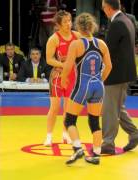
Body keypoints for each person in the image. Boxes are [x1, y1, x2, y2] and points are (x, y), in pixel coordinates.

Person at [61, 13, 112, 165]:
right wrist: (100, 80)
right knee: (94, 121)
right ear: (92, 27)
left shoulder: (76, 44)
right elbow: (109, 66)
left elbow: (68, 66)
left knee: (69, 119)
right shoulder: (101, 44)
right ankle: (96, 154)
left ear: (78, 27)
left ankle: (77, 148)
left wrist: (64, 80)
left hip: (83, 86)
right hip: (98, 86)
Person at [101, 0, 138, 154]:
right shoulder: (127, 19)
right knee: (117, 106)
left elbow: (108, 51)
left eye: (103, 7)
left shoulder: (116, 23)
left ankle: (107, 143)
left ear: (107, 7)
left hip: (115, 73)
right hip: (124, 72)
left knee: (109, 109)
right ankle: (135, 134)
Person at [43, 10, 80, 146]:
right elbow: (48, 59)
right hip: (58, 77)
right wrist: (65, 65)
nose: (68, 24)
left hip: (72, 76)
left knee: (68, 108)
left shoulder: (77, 36)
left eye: (70, 20)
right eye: (65, 22)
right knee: (54, 108)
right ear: (58, 24)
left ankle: (65, 134)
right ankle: (49, 136)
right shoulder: (54, 38)